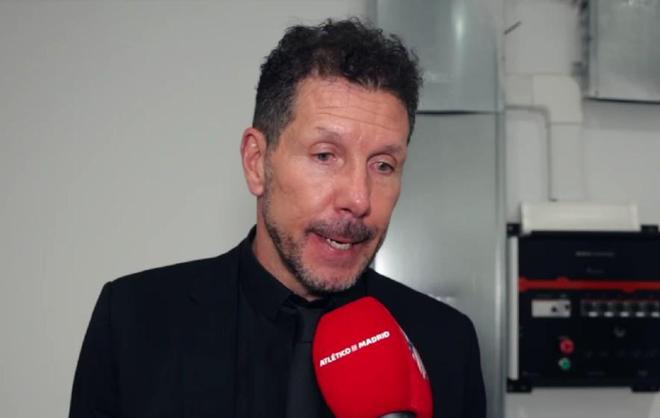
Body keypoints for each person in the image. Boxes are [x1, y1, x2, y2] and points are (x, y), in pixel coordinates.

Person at [69, 18, 486, 418]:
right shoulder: (135, 320)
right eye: (325, 155)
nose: (359, 199)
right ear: (257, 163)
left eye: (383, 165)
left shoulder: (446, 344)